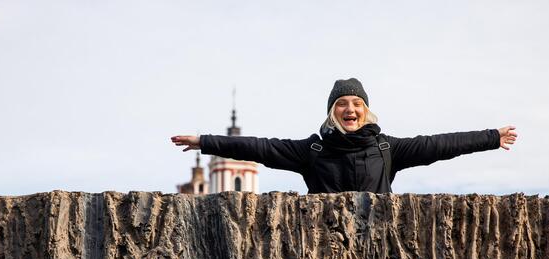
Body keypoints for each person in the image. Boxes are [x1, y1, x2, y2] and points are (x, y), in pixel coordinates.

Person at [170, 78, 518, 194]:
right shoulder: (314, 150)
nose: (350, 109)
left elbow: (440, 145)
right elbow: (261, 148)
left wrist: (491, 137)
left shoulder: (386, 148)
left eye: (356, 103)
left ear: (365, 110)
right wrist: (204, 141)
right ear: (331, 111)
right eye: (341, 104)